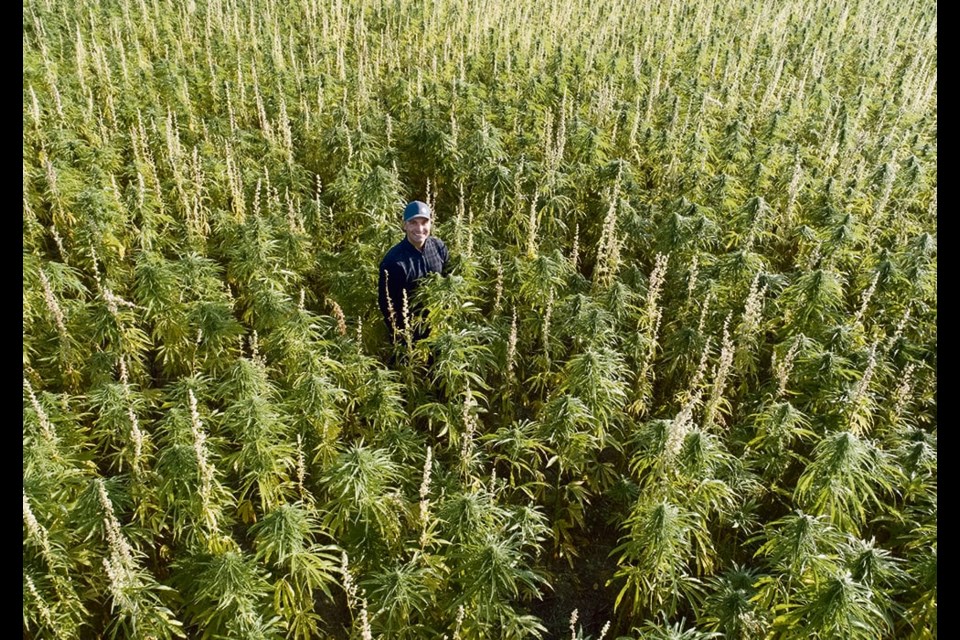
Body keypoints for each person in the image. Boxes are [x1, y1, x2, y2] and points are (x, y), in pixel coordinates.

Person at [378, 200, 449, 342]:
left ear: (430, 223)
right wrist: (402, 337)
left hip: (437, 325)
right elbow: (386, 304)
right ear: (405, 225)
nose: (420, 228)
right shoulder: (394, 261)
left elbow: (448, 281)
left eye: (424, 222)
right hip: (410, 331)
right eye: (413, 223)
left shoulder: (439, 247)